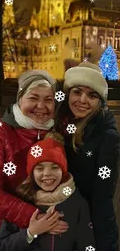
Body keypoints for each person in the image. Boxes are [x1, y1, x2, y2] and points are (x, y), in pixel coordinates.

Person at [0, 70, 68, 249]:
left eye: (48, 100)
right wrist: (34, 217)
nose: (41, 106)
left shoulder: (54, 135)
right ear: (20, 99)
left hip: (31, 228)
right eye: (33, 98)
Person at [56, 61, 120, 251]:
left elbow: (103, 195)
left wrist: (104, 245)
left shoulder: (106, 135)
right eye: (77, 92)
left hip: (85, 224)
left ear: (100, 101)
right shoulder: (59, 123)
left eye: (92, 95)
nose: (83, 100)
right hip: (59, 220)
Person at [0, 132, 95, 251]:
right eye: (40, 168)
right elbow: (0, 247)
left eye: (55, 167)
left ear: (63, 171)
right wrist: (30, 233)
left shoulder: (77, 203)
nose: (47, 173)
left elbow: (87, 245)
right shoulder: (20, 202)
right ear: (31, 173)